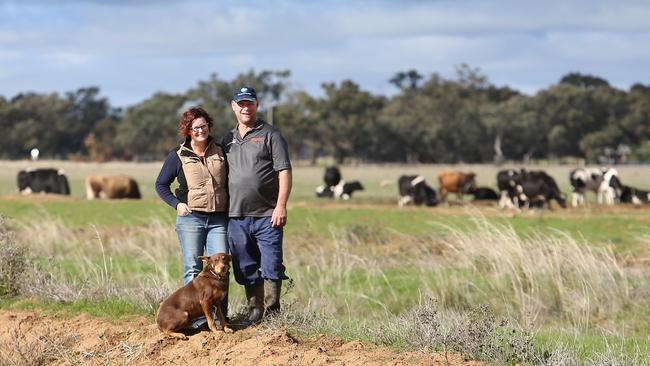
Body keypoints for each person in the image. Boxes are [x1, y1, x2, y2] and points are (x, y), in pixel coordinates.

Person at [222, 86, 292, 325]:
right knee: (244, 265)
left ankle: (273, 313)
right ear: (233, 106)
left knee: (272, 263)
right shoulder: (227, 139)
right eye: (241, 103)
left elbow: (284, 171)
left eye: (249, 103)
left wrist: (281, 206)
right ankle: (254, 311)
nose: (245, 107)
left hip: (267, 215)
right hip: (236, 216)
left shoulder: (271, 134)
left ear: (256, 105)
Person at [155, 106, 229, 325]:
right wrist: (176, 204)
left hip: (218, 219)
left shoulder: (220, 150)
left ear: (209, 126)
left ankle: (220, 319)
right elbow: (160, 184)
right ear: (188, 130)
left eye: (204, 126)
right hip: (191, 219)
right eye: (195, 127)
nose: (200, 131)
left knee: (222, 267)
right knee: (193, 269)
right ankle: (198, 321)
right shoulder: (177, 155)